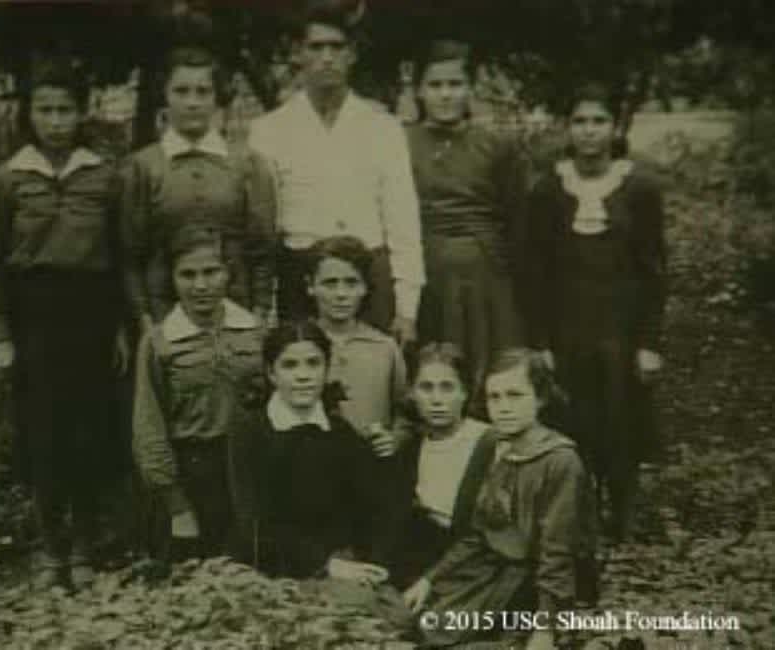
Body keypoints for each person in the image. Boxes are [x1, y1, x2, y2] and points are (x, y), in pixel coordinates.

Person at [0, 60, 128, 589]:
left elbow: (118, 256)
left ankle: (85, 545)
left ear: (82, 113)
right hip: (33, 315)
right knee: (42, 435)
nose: (56, 120)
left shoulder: (104, 175)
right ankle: (50, 550)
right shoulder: (9, 177)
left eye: (65, 109)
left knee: (88, 433)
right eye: (45, 109)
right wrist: (1, 334)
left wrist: (117, 329)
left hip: (91, 313)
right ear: (30, 114)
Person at [524, 83, 666, 541]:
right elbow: (536, 271)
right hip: (568, 321)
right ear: (568, 129)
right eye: (580, 121)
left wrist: (648, 342)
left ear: (613, 128)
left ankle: (620, 514)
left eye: (598, 121)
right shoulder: (548, 190)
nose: (589, 132)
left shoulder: (639, 188)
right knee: (574, 415)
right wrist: (540, 341)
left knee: (621, 416)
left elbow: (654, 270)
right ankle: (576, 515)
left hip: (620, 323)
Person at [248, 1, 424, 343]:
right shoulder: (268, 130)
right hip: (300, 278)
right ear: (298, 54)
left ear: (352, 54)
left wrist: (407, 309)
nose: (327, 57)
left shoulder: (382, 128)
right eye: (316, 47)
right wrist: (265, 308)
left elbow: (403, 221)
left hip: (369, 278)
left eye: (336, 47)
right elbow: (263, 231)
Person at [403, 349, 597, 649]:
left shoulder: (560, 461)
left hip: (537, 580)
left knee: (443, 632)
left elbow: (558, 551)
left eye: (515, 395)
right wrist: (430, 579)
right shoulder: (499, 450)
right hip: (497, 565)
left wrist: (544, 629)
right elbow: (480, 533)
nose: (503, 407)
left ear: (541, 398)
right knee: (419, 619)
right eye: (495, 397)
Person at [120, 46, 277, 334]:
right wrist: (144, 319)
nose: (192, 102)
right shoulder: (141, 167)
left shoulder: (247, 164)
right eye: (181, 91)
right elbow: (131, 254)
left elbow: (262, 249)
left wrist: (261, 312)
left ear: (217, 99)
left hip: (237, 310)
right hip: (163, 315)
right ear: (164, 97)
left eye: (203, 92)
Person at [227, 321, 401, 579]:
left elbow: (373, 509)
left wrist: (372, 562)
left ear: (327, 369)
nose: (303, 375)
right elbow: (254, 525)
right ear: (271, 373)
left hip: (343, 564)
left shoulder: (339, 431)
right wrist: (325, 566)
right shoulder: (251, 432)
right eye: (289, 365)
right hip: (272, 569)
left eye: (313, 363)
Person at [132, 229, 265, 562]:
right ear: (172, 279)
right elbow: (149, 426)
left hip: (250, 469)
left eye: (211, 272)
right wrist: (176, 504)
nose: (201, 285)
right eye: (187, 275)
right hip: (192, 472)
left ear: (228, 273)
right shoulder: (160, 341)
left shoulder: (256, 332)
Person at [406, 39, 527, 398]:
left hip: (486, 275)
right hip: (426, 274)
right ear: (419, 91)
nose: (445, 95)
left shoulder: (496, 144)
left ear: (470, 90)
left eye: (455, 84)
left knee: (493, 369)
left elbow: (517, 219)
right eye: (435, 85)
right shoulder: (400, 142)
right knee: (433, 367)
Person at [392, 342, 491, 588]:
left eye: (447, 388)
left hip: (481, 557)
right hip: (428, 559)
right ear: (412, 393)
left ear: (465, 391)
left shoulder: (488, 442)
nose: (437, 400)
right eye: (426, 388)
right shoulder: (411, 450)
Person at [305, 235, 409, 456]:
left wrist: (396, 438)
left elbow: (404, 412)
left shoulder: (384, 348)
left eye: (351, 283)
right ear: (310, 287)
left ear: (364, 288)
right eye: (330, 283)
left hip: (368, 467)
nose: (341, 294)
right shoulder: (298, 344)